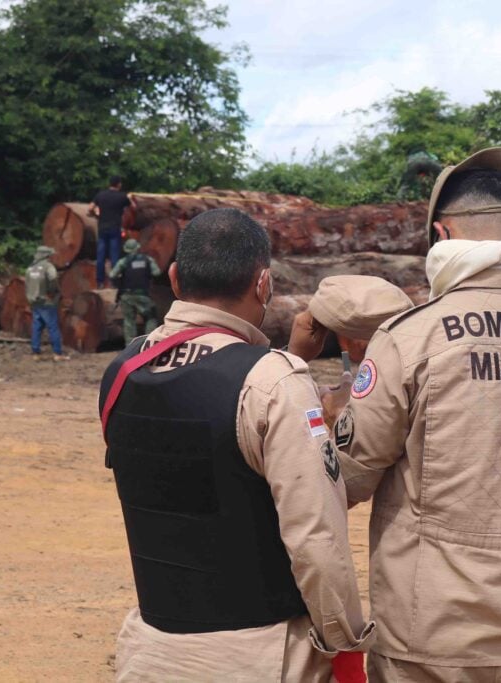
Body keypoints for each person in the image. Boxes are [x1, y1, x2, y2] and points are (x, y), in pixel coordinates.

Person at [291, 147, 501, 682]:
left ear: (441, 239)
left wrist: (326, 406)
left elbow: (344, 478)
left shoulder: (410, 338)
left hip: (430, 642)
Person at [98, 208, 374, 682]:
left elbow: (202, 439)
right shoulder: (275, 384)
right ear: (263, 284)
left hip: (151, 650)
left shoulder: (123, 370)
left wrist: (286, 364)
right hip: (259, 655)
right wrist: (346, 649)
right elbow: (316, 539)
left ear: (175, 277)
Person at [109, 239, 162, 346]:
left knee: (129, 321)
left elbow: (112, 275)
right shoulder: (147, 260)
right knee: (151, 317)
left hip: (127, 295)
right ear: (138, 248)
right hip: (143, 295)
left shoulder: (123, 261)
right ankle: (150, 344)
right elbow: (157, 272)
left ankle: (130, 346)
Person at [90, 175, 137, 287]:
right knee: (114, 256)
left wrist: (96, 215)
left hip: (102, 229)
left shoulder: (101, 195)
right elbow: (134, 208)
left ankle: (100, 282)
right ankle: (114, 282)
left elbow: (90, 208)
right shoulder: (122, 196)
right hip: (115, 229)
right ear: (119, 184)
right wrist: (130, 198)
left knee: (100, 256)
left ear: (109, 184)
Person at [25, 245, 67, 361]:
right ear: (46, 255)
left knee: (37, 327)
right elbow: (53, 278)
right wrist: (54, 291)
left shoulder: (30, 268)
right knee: (53, 326)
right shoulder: (48, 267)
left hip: (34, 301)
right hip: (46, 301)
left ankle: (35, 353)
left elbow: (27, 284)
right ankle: (57, 353)